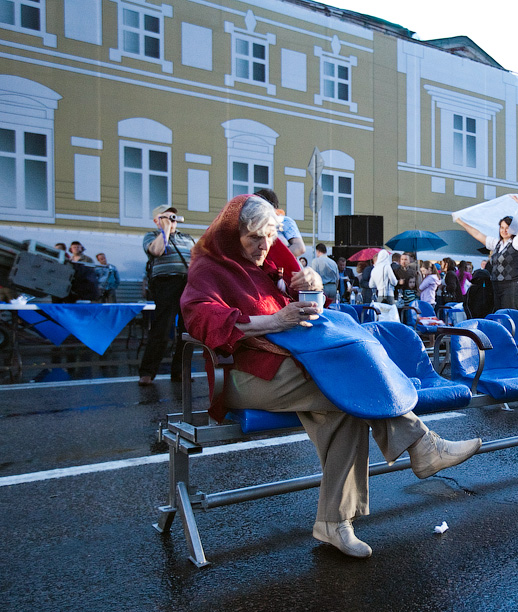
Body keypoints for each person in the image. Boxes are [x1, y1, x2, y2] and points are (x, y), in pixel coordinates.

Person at [180, 194, 481, 558]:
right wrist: (273, 320)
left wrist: (309, 281)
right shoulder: (208, 267)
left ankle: (334, 524)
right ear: (233, 234)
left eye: (270, 236)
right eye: (254, 238)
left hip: (288, 364)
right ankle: (421, 445)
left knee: (348, 405)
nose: (264, 246)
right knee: (351, 383)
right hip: (246, 374)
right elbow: (198, 319)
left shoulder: (266, 258)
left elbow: (301, 295)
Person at [138, 205, 195, 385]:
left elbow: (197, 260)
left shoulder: (186, 238)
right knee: (162, 327)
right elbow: (157, 251)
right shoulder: (152, 236)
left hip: (187, 284)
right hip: (165, 283)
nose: (173, 219)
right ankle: (147, 372)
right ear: (157, 220)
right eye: (168, 216)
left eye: (174, 216)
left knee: (188, 330)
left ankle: (180, 371)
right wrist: (165, 230)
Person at [456, 200, 518, 310]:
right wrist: (460, 222)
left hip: (512, 286)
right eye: (502, 227)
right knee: (498, 315)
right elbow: (477, 234)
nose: (504, 230)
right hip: (496, 286)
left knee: (510, 315)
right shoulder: (497, 244)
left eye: (507, 228)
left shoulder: (516, 243)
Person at [255, 188, 307, 257]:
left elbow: (299, 248)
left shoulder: (284, 221)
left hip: (283, 266)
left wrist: (275, 260)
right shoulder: (255, 224)